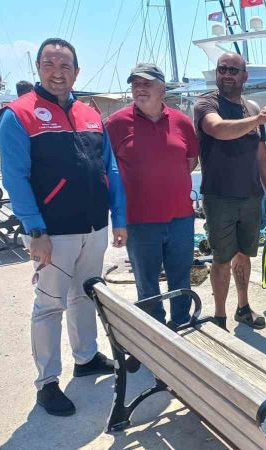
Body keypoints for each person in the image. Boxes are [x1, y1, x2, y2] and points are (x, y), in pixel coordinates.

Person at [0, 38, 127, 417]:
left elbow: (110, 168)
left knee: (85, 295)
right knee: (49, 306)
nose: (57, 71)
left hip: (93, 227)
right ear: (38, 68)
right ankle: (47, 383)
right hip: (51, 233)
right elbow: (15, 177)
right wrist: (35, 231)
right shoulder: (19, 114)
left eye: (65, 65)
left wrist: (118, 217)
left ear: (76, 72)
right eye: (50, 63)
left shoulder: (89, 114)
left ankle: (85, 358)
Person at [106, 63, 199, 329]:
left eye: (146, 83)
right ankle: (156, 332)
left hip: (181, 218)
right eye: (135, 84)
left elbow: (190, 161)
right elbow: (107, 171)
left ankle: (181, 324)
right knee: (147, 284)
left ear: (162, 87)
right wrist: (118, 220)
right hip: (140, 221)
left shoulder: (182, 121)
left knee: (181, 279)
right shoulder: (116, 123)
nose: (139, 88)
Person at [194, 52, 266, 331]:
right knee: (221, 259)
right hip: (220, 197)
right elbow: (217, 129)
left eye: (233, 70)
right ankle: (219, 317)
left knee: (245, 254)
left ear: (244, 75)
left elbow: (262, 156)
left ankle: (243, 307)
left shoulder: (252, 107)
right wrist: (257, 121)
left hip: (252, 196)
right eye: (222, 69)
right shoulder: (207, 103)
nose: (227, 74)